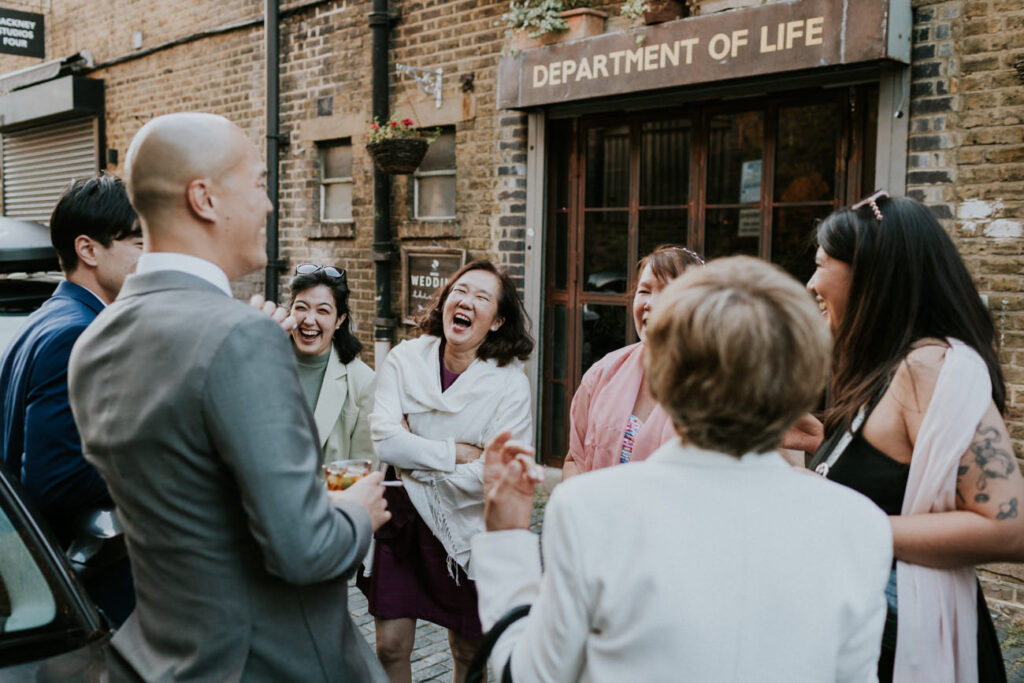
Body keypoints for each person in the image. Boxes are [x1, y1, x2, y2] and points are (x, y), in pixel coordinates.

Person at [67, 113, 389, 682]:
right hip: (266, 664)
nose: (268, 205)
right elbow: (304, 548)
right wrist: (357, 514)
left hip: (158, 659)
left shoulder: (95, 340)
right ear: (205, 198)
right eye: (260, 183)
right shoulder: (242, 338)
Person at [473, 256, 894, 682]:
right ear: (805, 379)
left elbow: (532, 676)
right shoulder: (861, 527)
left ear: (663, 371)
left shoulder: (589, 511)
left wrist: (507, 541)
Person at [804, 192, 1024, 682]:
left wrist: (842, 522)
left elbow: (1009, 527)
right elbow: (894, 471)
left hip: (907, 642)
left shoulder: (929, 367)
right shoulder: (883, 369)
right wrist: (816, 436)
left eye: (822, 265)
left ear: (871, 275)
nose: (812, 282)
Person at [362, 260, 534, 683]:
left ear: (497, 322)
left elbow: (493, 476)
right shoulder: (405, 358)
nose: (466, 301)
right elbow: (384, 440)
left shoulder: (510, 384)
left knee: (468, 650)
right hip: (401, 517)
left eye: (481, 297)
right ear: (444, 301)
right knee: (389, 647)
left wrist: (412, 456)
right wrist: (456, 452)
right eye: (460, 290)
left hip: (467, 527)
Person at [0, 174, 142, 625]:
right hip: (79, 586)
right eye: (139, 243)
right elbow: (55, 481)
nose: (152, 257)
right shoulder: (76, 332)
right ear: (88, 249)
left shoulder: (50, 318)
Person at [562, 244, 703, 479]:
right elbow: (575, 461)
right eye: (644, 291)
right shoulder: (603, 373)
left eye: (668, 292)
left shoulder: (720, 387)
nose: (650, 303)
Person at [288, 263, 375, 465]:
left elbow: (362, 470)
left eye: (323, 311)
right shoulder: (263, 364)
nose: (309, 320)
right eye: (301, 307)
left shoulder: (362, 382)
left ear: (339, 320)